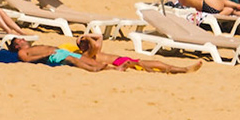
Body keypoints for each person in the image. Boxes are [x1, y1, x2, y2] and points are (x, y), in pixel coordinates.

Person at [73, 34, 202, 75]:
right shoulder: (88, 54)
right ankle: (183, 70)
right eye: (83, 43)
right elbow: (95, 44)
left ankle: (182, 69)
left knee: (157, 63)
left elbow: (99, 37)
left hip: (122, 59)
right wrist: (86, 39)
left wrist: (86, 36)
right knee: (152, 65)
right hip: (119, 62)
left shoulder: (94, 50)